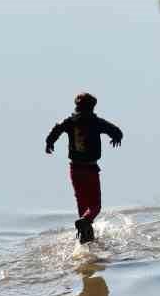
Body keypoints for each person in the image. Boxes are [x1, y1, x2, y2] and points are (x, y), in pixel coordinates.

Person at [45, 93, 124, 243]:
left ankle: (85, 235)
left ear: (76, 106)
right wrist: (116, 138)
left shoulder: (69, 122)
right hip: (90, 169)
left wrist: (50, 143)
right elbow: (116, 131)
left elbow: (56, 129)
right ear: (93, 107)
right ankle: (86, 222)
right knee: (95, 205)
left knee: (82, 202)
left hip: (74, 169)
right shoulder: (97, 122)